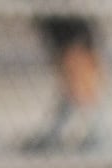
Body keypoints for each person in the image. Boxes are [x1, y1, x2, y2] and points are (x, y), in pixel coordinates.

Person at [22, 15, 103, 153]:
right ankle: (63, 129)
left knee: (76, 58)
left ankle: (92, 129)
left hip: (73, 25)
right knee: (68, 59)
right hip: (63, 22)